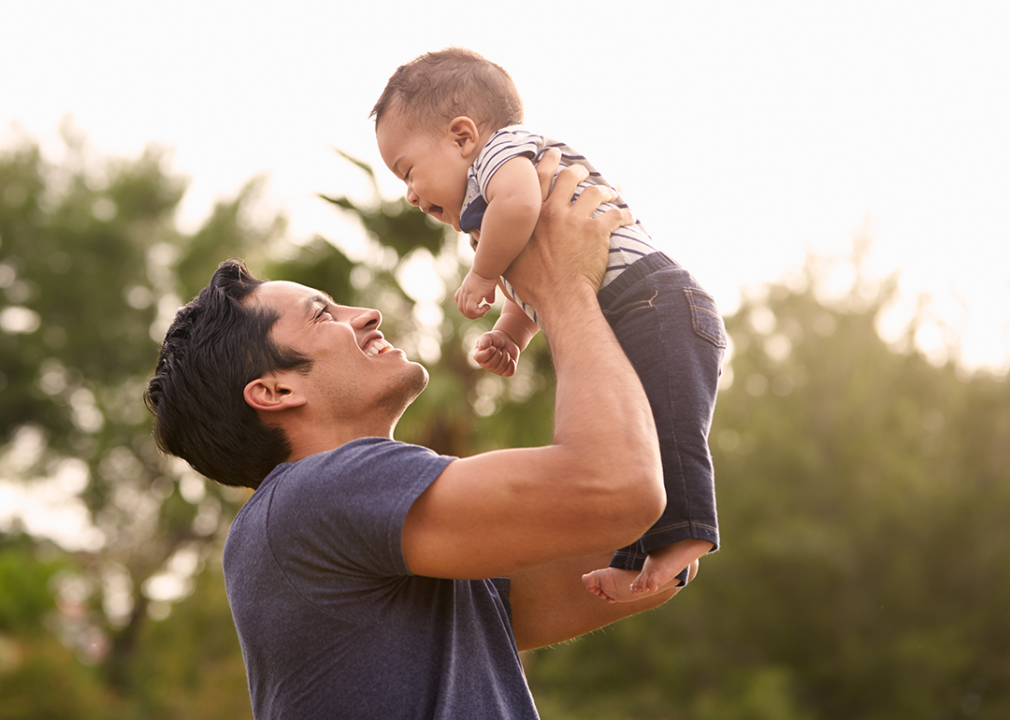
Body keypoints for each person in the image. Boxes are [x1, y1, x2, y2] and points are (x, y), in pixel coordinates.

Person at [144, 157, 695, 719]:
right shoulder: (315, 495)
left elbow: (648, 548)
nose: (366, 315)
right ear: (275, 391)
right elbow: (619, 488)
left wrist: (640, 312)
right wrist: (561, 290)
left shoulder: (375, 541)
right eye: (322, 314)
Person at [372, 47, 726, 602]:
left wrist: (482, 275)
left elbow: (520, 207)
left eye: (408, 171)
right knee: (634, 440)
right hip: (631, 308)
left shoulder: (502, 155)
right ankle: (640, 556)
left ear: (463, 136)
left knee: (669, 428)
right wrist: (512, 332)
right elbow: (535, 281)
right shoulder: (485, 198)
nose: (410, 194)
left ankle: (687, 538)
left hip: (654, 300)